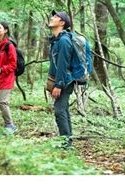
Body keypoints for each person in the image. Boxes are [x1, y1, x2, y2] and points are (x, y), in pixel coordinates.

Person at [47, 11, 75, 148]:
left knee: (59, 111)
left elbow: (63, 65)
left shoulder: (64, 41)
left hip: (65, 81)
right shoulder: (56, 40)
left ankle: (66, 144)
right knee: (63, 110)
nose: (52, 18)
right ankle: (67, 140)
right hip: (62, 81)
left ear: (62, 23)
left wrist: (58, 85)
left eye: (56, 17)